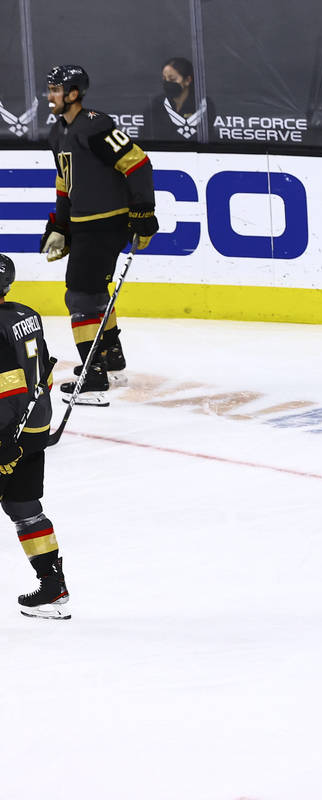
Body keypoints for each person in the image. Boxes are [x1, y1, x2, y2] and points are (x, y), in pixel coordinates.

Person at [40, 64, 158, 405]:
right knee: (91, 292)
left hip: (106, 225)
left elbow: (138, 165)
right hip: (85, 225)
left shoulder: (95, 125)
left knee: (79, 296)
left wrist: (142, 213)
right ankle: (111, 357)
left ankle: (93, 377)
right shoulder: (57, 133)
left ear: (73, 93)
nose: (50, 96)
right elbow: (64, 183)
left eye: (56, 89)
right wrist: (60, 225)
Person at [0, 254, 68, 620]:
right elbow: (42, 376)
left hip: (7, 432)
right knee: (23, 508)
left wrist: (5, 441)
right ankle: (53, 586)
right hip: (35, 426)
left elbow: (8, 389)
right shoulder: (26, 315)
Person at [142, 57, 212, 143]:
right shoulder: (157, 104)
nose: (167, 82)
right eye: (164, 79)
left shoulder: (203, 104)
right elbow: (148, 136)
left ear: (187, 80)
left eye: (172, 79)